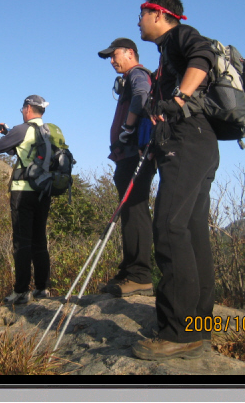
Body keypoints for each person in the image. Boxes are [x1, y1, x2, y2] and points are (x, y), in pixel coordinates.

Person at [131, 0, 220, 361]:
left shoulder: (180, 36)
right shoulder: (166, 52)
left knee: (169, 226)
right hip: (200, 145)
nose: (138, 22)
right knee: (192, 231)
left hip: (187, 143)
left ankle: (179, 332)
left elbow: (204, 54)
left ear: (158, 14)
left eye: (141, 14)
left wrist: (180, 98)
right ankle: (198, 325)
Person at [97, 38, 156, 298]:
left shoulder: (137, 74)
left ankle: (140, 276)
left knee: (136, 212)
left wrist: (128, 127)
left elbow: (142, 95)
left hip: (135, 154)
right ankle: (129, 270)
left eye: (115, 55)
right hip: (127, 155)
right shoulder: (129, 78)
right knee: (130, 213)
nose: (112, 60)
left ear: (130, 53)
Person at [0, 95, 53, 305]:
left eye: (22, 109)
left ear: (28, 108)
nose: (22, 112)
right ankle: (42, 288)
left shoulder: (22, 129)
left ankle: (21, 291)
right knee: (39, 240)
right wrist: (8, 133)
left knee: (22, 241)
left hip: (23, 192)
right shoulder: (49, 131)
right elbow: (17, 148)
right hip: (44, 191)